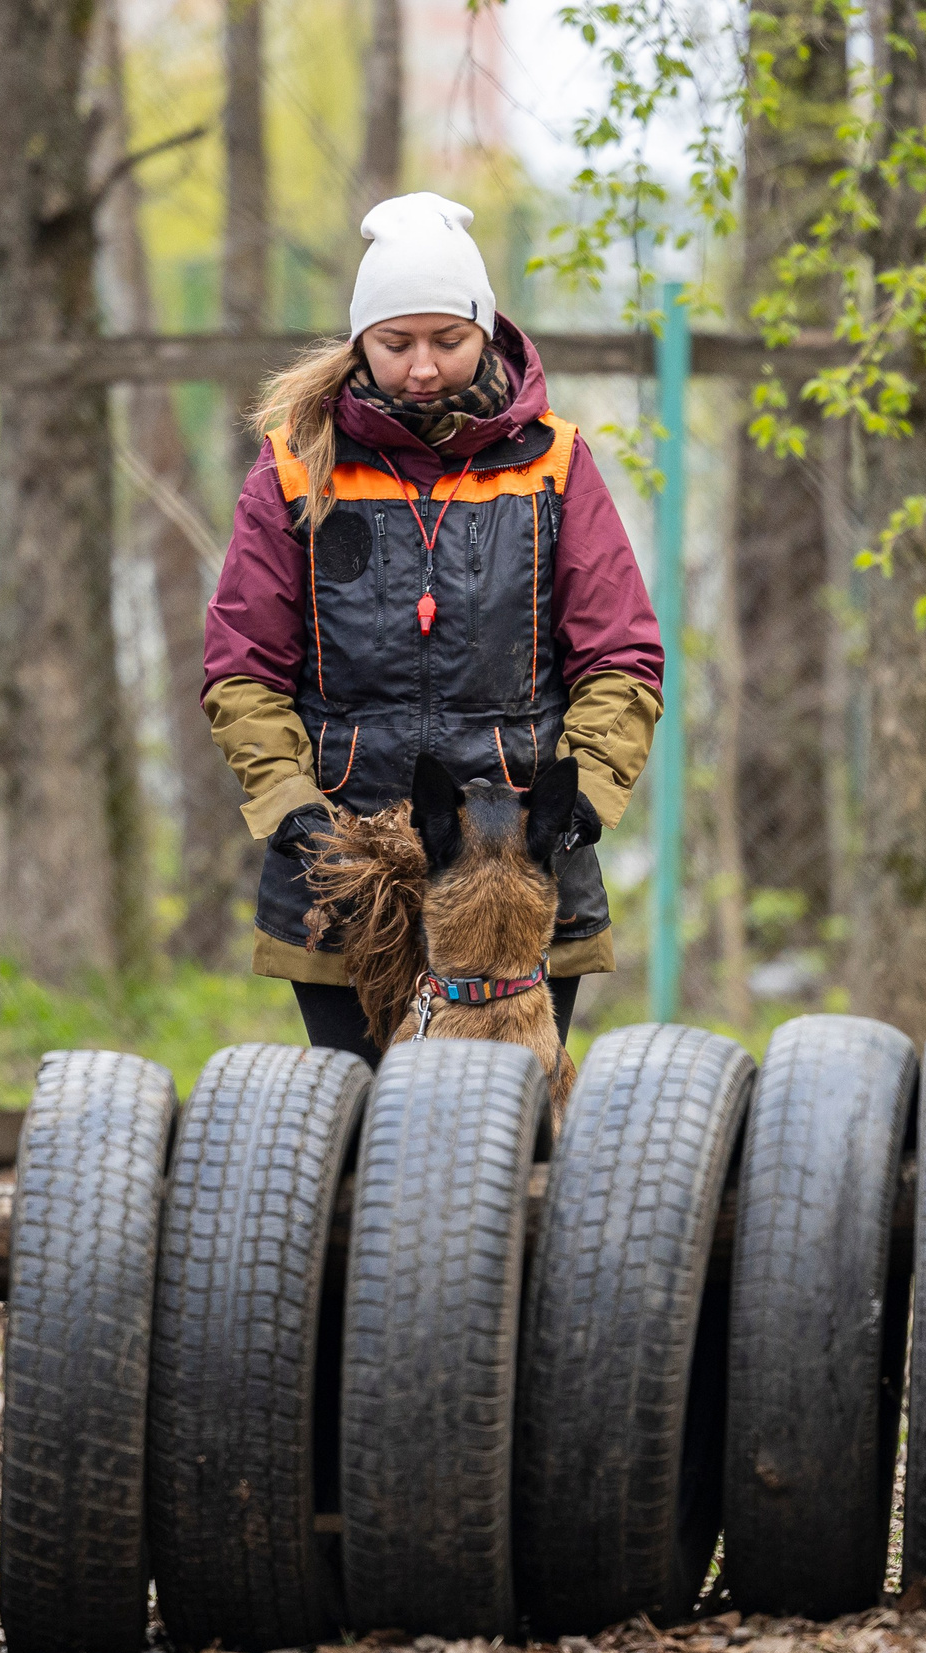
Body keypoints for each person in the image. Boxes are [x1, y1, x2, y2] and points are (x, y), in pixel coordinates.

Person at [202, 192, 665, 1065]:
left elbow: (622, 655)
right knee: (358, 1129)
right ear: (359, 343)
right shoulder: (297, 465)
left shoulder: (556, 466)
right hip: (350, 876)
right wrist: (288, 804)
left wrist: (588, 796)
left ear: (486, 331)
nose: (422, 367)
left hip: (516, 880)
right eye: (395, 342)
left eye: (447, 341)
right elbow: (243, 670)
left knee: (509, 1134)